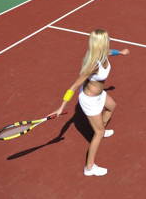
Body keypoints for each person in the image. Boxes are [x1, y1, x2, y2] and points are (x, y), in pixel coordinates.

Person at [50, 29, 130, 176]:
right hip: (90, 100)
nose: (109, 40)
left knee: (112, 106)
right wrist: (61, 107)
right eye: (106, 39)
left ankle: (101, 129)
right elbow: (73, 87)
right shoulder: (93, 64)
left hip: (100, 94)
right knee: (98, 133)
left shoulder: (102, 52)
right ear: (100, 43)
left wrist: (120, 53)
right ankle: (89, 167)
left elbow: (109, 52)